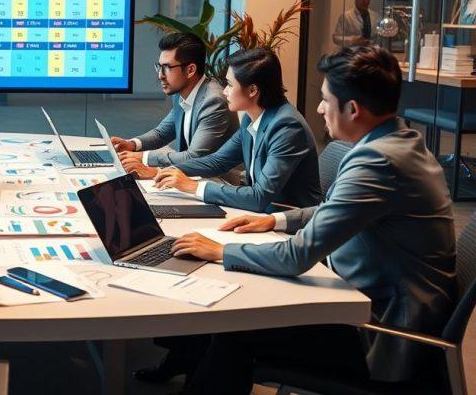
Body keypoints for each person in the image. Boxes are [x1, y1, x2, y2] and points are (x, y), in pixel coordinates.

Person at [171, 45, 457, 393]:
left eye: (325, 99)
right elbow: (336, 207)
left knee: (235, 330)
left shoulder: (377, 163)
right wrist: (274, 221)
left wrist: (220, 251)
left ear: (353, 109)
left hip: (378, 332)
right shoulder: (398, 142)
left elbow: (296, 257)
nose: (319, 109)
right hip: (365, 299)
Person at [153, 47, 321, 212]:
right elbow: (218, 160)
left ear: (253, 90)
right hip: (262, 215)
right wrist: (171, 171)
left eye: (230, 85)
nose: (224, 91)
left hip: (289, 225)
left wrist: (193, 187)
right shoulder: (252, 116)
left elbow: (259, 197)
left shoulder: (287, 127)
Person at [112, 32, 237, 179]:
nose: (160, 75)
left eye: (167, 68)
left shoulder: (213, 101)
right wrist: (132, 144)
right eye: (159, 67)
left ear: (190, 70)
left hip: (217, 181)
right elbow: (162, 133)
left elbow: (194, 156)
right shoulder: (181, 91)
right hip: (187, 177)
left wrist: (143, 158)